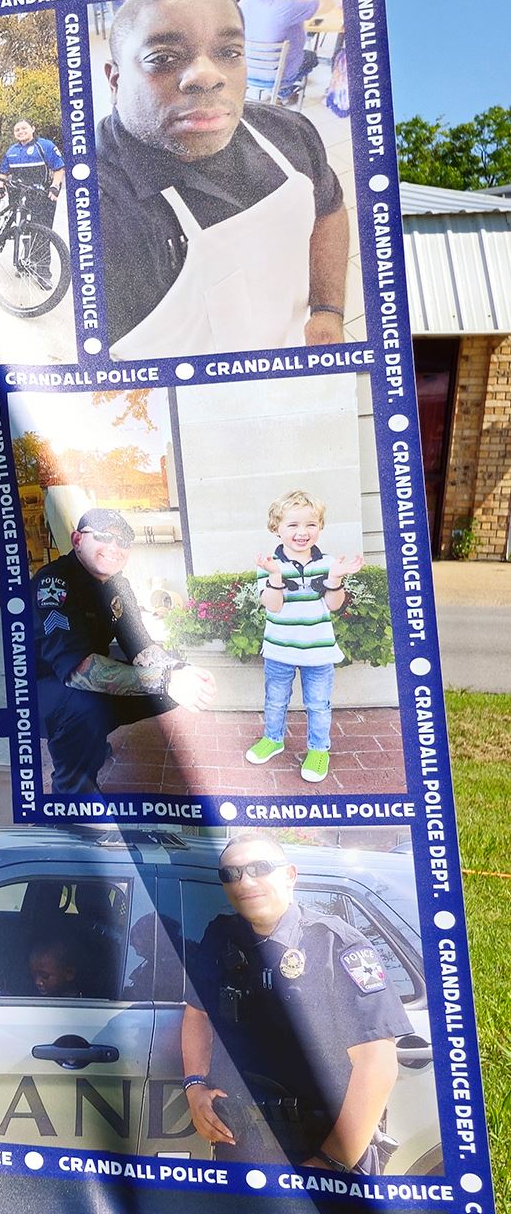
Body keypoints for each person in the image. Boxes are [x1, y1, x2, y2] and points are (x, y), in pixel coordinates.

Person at [96, 0, 353, 358]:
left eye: (229, 53)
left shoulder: (290, 132)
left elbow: (328, 209)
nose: (207, 75)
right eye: (163, 57)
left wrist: (328, 311)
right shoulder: (98, 211)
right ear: (115, 79)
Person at [181, 831, 410, 1174]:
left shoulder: (337, 945)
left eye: (259, 868)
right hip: (243, 1145)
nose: (245, 881)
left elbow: (377, 1063)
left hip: (327, 1148)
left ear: (289, 875)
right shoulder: (220, 937)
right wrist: (194, 1086)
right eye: (231, 874)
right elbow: (197, 1014)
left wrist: (329, 1161)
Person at [30, 506, 212, 796]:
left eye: (124, 541)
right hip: (41, 690)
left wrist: (178, 672)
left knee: (167, 687)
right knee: (85, 705)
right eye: (103, 536)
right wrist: (164, 679)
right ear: (77, 540)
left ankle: (91, 738)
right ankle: (72, 794)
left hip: (83, 680)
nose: (114, 547)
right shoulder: (54, 583)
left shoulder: (118, 585)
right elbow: (78, 671)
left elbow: (140, 645)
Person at [246, 488, 364, 784]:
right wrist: (275, 576)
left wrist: (336, 578)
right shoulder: (270, 565)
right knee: (275, 700)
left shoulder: (328, 563)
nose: (302, 532)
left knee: (318, 704)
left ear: (320, 527)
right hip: (279, 651)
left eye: (311, 524)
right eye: (293, 525)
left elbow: (334, 606)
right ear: (277, 528)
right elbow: (273, 606)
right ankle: (273, 739)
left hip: (319, 652)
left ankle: (318, 749)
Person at [0, 118, 66, 239]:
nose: (20, 131)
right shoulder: (11, 151)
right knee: (24, 232)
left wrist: (55, 187)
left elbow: (59, 168)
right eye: (17, 130)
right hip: (20, 194)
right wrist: (0, 188)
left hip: (43, 194)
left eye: (24, 128)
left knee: (41, 234)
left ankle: (39, 258)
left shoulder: (45, 145)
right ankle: (25, 256)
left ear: (32, 129)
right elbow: (4, 172)